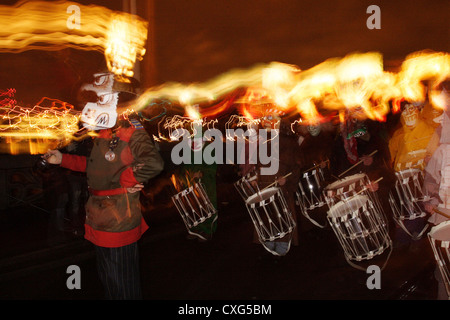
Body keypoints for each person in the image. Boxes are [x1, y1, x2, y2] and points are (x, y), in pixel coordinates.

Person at [44, 71, 164, 300]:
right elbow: (96, 167)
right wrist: (63, 160)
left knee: (123, 286)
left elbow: (153, 162)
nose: (96, 102)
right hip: (99, 218)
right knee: (109, 280)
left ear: (118, 99)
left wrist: (128, 179)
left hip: (118, 219)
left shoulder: (131, 128)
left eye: (102, 97)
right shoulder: (104, 131)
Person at [388, 99, 436, 247]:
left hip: (426, 180)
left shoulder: (430, 129)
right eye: (404, 109)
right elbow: (392, 157)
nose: (408, 112)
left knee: (428, 215)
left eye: (411, 108)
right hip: (405, 183)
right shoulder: (398, 134)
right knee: (410, 216)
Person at [423, 82, 449, 300]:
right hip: (445, 212)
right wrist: (431, 198)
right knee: (445, 267)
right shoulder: (440, 134)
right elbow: (431, 174)